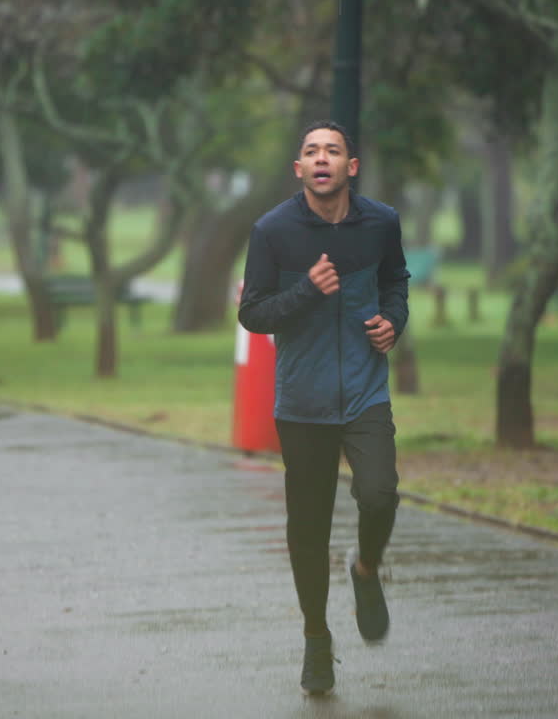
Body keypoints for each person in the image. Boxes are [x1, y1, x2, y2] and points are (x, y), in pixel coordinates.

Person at [238, 120, 409, 696]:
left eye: (332, 150)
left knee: (380, 492)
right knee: (307, 530)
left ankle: (365, 569)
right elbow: (253, 314)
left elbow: (396, 282)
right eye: (311, 151)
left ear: (350, 167)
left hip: (365, 392)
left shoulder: (381, 223)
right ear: (299, 169)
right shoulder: (272, 232)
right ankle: (316, 638)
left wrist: (394, 321)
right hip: (303, 402)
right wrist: (309, 289)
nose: (321, 159)